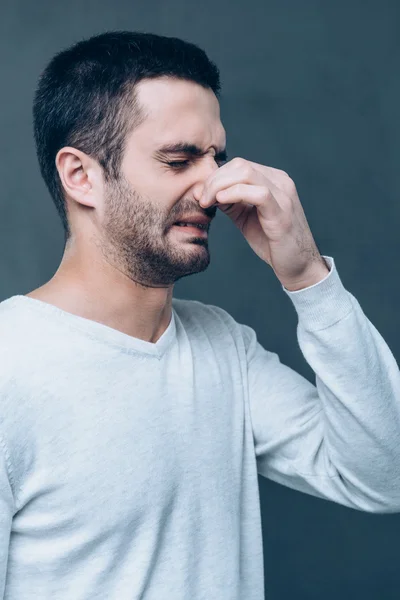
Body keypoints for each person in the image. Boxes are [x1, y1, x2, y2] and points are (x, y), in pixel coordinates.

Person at [0, 30, 399, 600]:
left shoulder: (223, 346)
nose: (214, 187)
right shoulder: (8, 366)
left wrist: (309, 276)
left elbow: (386, 475)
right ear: (80, 176)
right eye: (179, 159)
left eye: (216, 156)